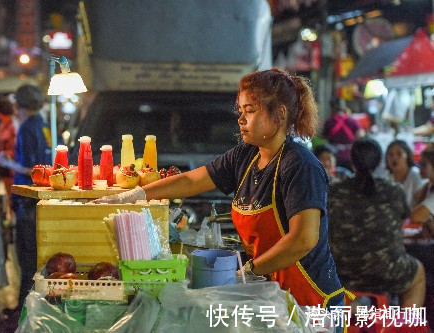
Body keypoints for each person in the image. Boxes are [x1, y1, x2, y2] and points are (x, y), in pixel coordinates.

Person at [97, 69, 347, 313]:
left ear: (280, 114)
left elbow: (303, 239)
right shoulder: (246, 155)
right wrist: (136, 195)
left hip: (309, 302)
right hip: (272, 296)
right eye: (240, 111)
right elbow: (191, 181)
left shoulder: (300, 165)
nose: (241, 120)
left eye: (250, 111)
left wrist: (248, 271)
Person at [327, 138, 426, 308]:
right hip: (387, 271)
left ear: (352, 161)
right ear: (380, 161)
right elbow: (403, 218)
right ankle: (407, 325)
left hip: (341, 272)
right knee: (418, 273)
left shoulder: (334, 190)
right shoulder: (393, 190)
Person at [0, 85, 51, 324]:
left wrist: (5, 162)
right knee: (33, 259)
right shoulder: (44, 125)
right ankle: (28, 310)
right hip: (36, 201)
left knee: (26, 260)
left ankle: (23, 314)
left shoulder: (27, 127)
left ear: (21, 105)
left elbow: (33, 169)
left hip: (27, 201)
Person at [0, 99, 17, 222]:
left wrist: (5, 154)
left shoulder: (13, 126)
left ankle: (11, 218)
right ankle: (0, 218)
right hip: (0, 164)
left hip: (10, 166)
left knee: (10, 194)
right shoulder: (3, 124)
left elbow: (14, 147)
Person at [322, 98, 365, 170]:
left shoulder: (329, 122)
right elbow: (361, 135)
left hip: (334, 157)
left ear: (332, 108)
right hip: (349, 156)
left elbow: (323, 138)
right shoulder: (351, 120)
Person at [385, 140, 427, 209]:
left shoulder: (415, 175)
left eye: (399, 154)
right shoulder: (386, 176)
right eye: (390, 154)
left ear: (407, 156)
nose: (394, 158)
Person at [410, 148, 434, 239]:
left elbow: (415, 216)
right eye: (420, 163)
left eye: (423, 165)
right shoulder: (427, 185)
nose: (419, 167)